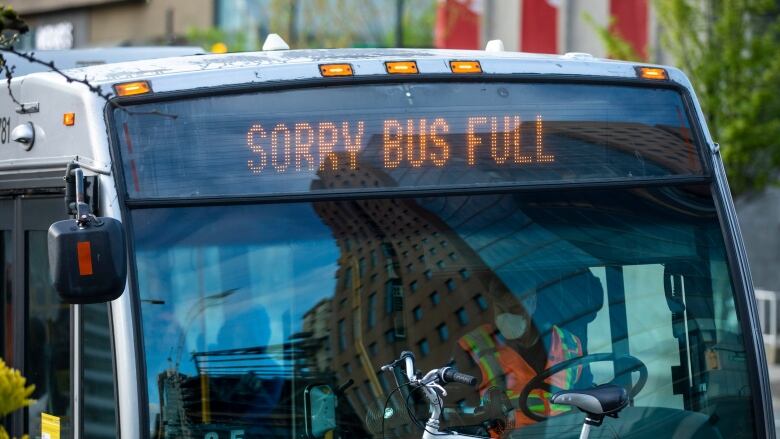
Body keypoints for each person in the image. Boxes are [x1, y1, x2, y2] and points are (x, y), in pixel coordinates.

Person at [458, 277, 591, 429]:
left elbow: (587, 398)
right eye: (501, 310)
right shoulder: (472, 346)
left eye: (514, 309)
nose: (506, 317)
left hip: (568, 434)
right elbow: (460, 415)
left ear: (532, 303)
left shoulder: (570, 344)